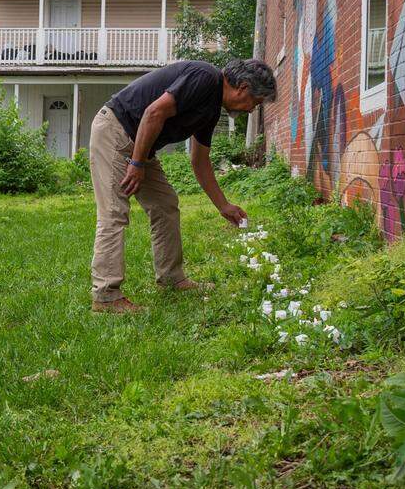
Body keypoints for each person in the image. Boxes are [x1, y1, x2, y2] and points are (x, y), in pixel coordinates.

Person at [89, 59, 277, 314]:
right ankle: (106, 296)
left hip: (141, 144)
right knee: (114, 212)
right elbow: (153, 113)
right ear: (242, 87)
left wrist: (223, 206)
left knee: (165, 204)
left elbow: (199, 161)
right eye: (254, 103)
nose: (252, 110)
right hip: (116, 131)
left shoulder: (211, 109)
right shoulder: (205, 77)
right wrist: (136, 163)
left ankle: (171, 279)